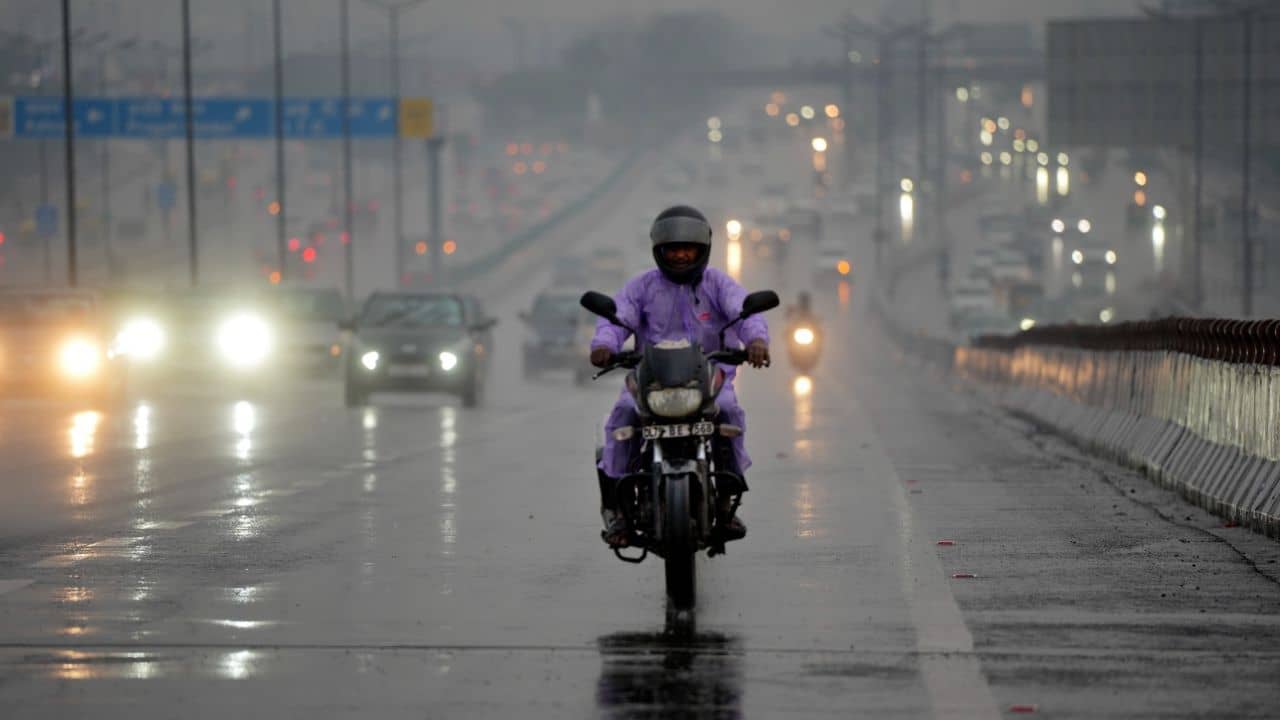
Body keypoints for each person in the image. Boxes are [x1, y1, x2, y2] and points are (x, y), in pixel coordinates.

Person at [589, 205, 770, 547]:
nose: (681, 255)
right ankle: (618, 510)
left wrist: (757, 340)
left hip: (708, 379)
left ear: (703, 250)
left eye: (688, 248)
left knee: (729, 413)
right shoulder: (642, 286)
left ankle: (726, 498)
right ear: (659, 251)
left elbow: (744, 311)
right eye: (673, 249)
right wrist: (604, 345)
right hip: (651, 379)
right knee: (623, 417)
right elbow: (616, 318)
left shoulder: (718, 283)